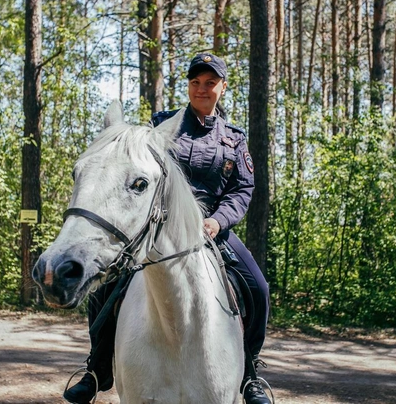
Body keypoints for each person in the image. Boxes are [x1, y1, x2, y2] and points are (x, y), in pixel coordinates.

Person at [64, 53, 271, 404]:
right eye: (195, 83)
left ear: (222, 87)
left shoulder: (233, 139)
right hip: (158, 228)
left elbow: (242, 189)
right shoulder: (162, 125)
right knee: (105, 286)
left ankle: (250, 373)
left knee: (258, 288)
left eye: (209, 83)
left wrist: (218, 220)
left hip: (211, 231)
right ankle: (97, 368)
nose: (201, 89)